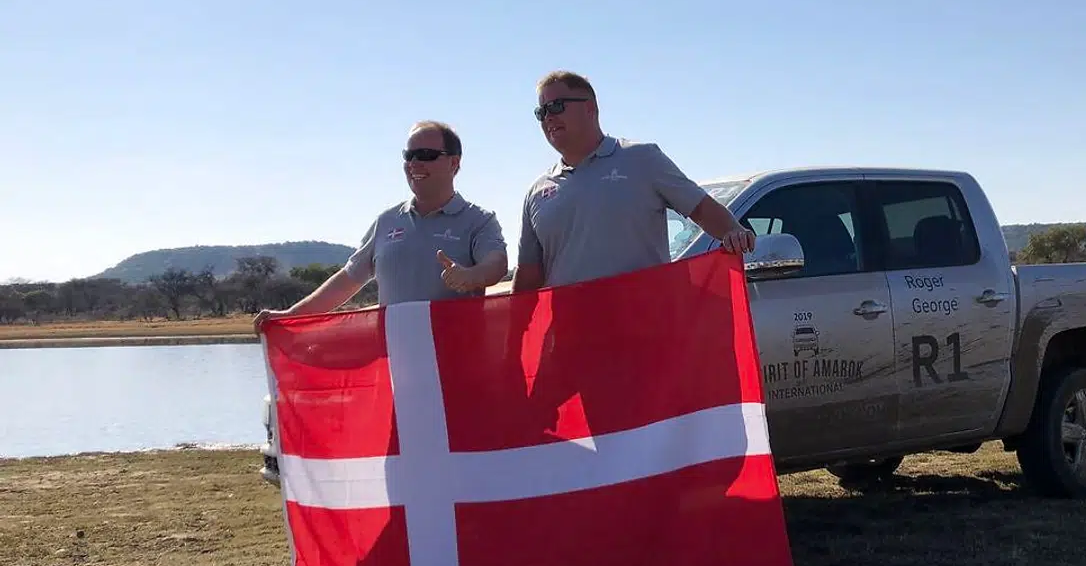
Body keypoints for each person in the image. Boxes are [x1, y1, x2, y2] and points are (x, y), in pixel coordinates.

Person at [511, 70, 754, 292]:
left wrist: (733, 233)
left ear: (590, 108)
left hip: (643, 326)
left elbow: (701, 209)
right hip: (570, 333)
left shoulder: (642, 159)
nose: (548, 118)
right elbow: (529, 275)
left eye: (556, 106)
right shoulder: (537, 192)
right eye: (541, 112)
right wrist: (512, 333)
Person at [253, 121, 507, 331]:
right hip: (398, 362)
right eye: (409, 156)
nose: (414, 164)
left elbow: (496, 264)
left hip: (456, 361)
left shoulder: (479, 219)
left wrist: (471, 277)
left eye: (426, 155)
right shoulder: (387, 221)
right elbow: (347, 281)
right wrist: (290, 316)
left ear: (454, 163)